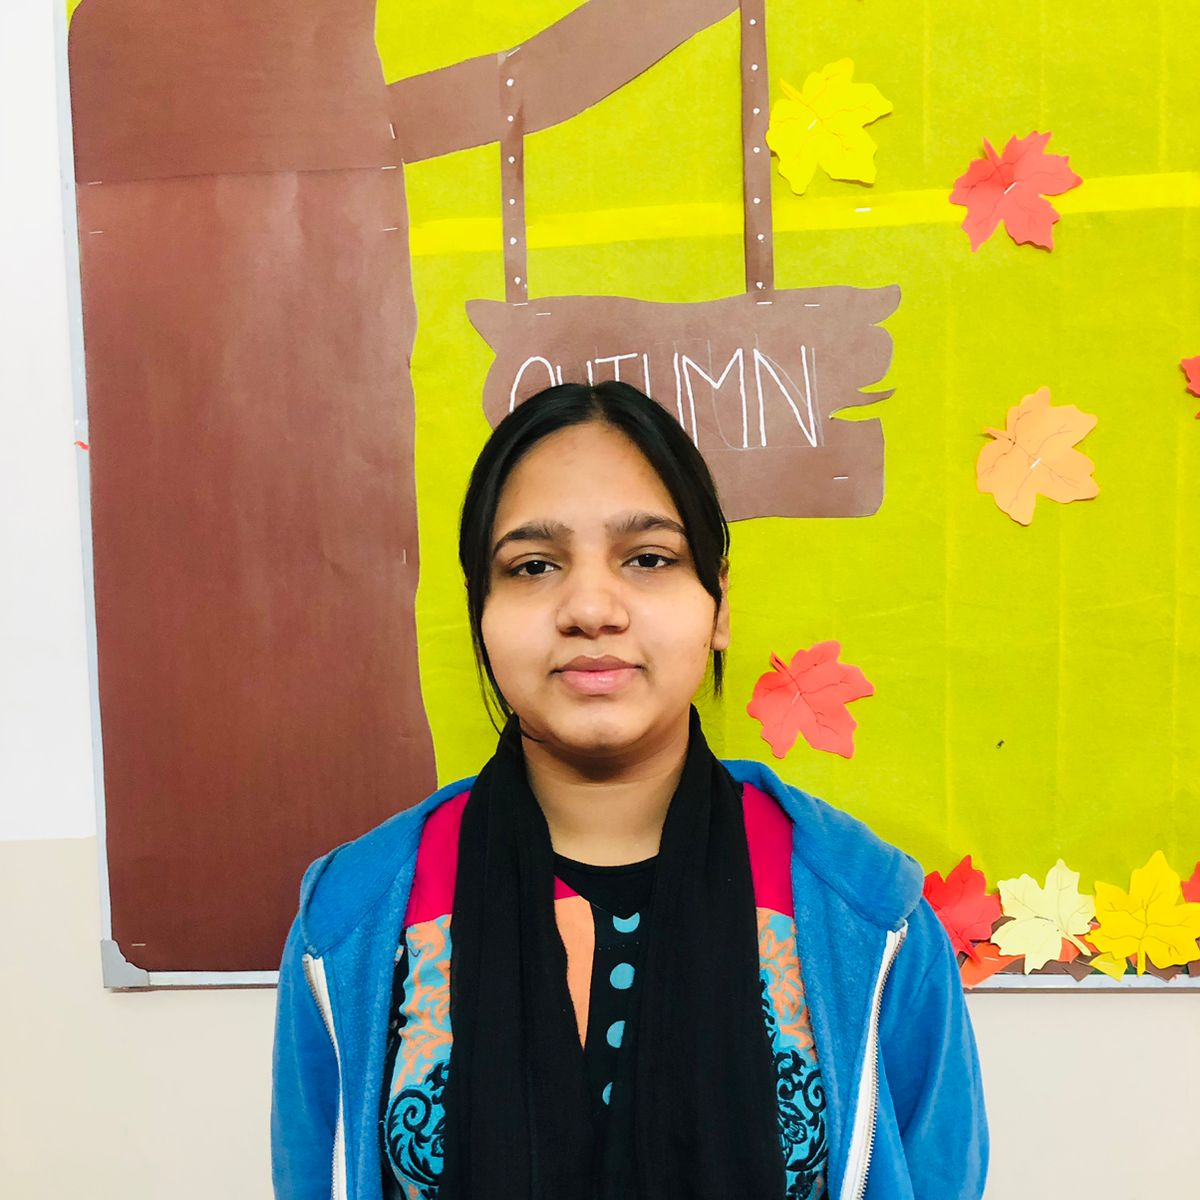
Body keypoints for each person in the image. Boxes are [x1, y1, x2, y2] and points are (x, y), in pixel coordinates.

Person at [270, 381, 988, 1200]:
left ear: (718, 603)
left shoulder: (865, 911)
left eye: (648, 558)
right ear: (481, 614)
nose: (590, 608)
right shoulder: (355, 918)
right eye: (533, 566)